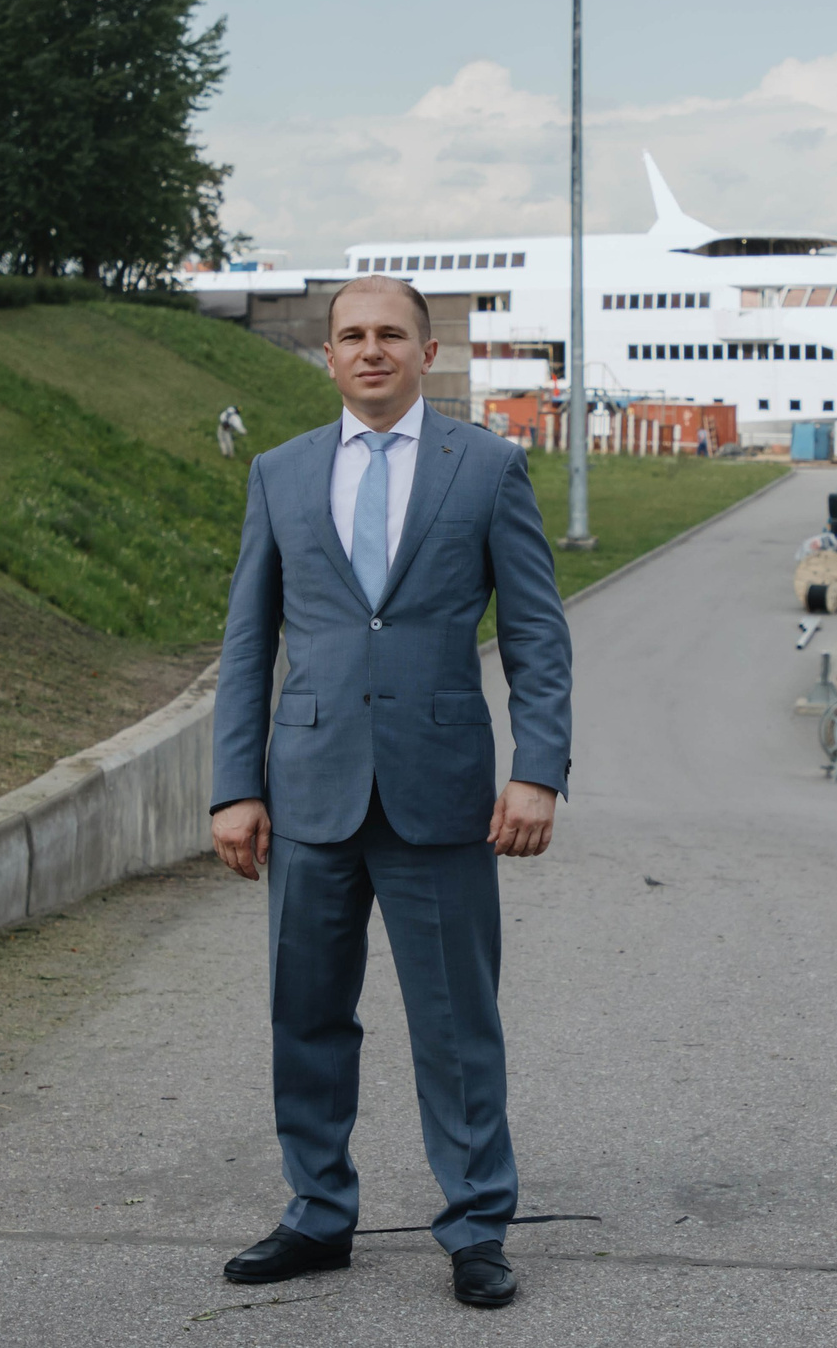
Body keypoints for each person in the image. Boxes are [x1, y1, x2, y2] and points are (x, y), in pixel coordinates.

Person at [208, 274, 573, 1310]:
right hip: (310, 785)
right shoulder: (281, 474)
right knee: (305, 1014)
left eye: (390, 335)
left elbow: (538, 637)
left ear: (426, 352)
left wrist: (537, 769)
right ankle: (318, 1215)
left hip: (442, 790)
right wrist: (234, 785)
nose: (370, 350)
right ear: (327, 356)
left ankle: (474, 1227)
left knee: (458, 1022)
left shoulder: (489, 468)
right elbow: (247, 644)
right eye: (351, 336)